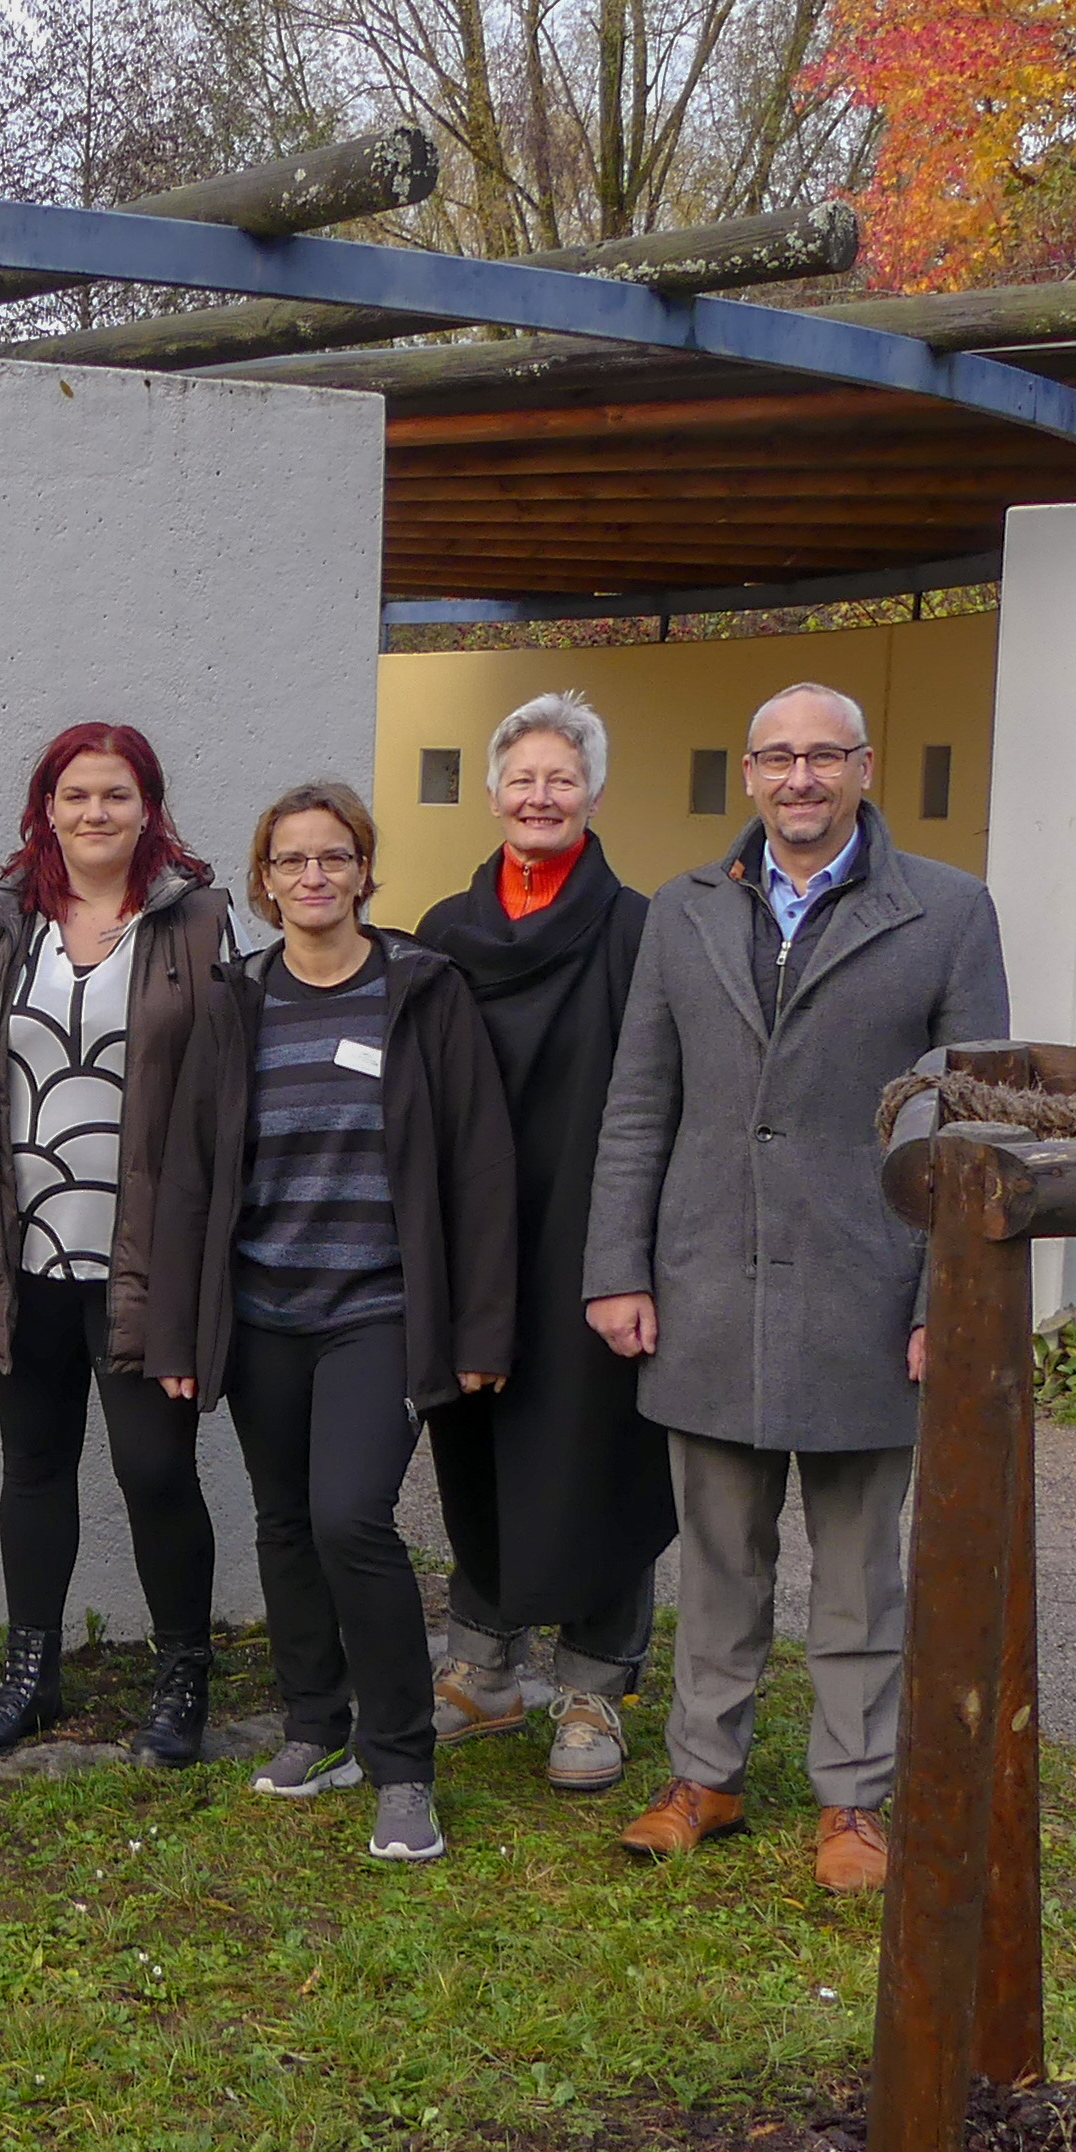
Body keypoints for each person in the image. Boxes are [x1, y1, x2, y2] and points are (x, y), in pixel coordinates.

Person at [583, 681, 1010, 1894]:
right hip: (707, 1278)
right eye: (779, 758)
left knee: (860, 1565)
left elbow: (976, 1121)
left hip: (865, 1288)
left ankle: (852, 1800)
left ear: (864, 767)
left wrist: (944, 1297)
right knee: (716, 1559)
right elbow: (637, 1103)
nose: (801, 779)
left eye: (824, 757)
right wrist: (617, 1265)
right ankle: (704, 1777)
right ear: (751, 776)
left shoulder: (945, 912)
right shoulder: (685, 913)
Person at [147, 783, 516, 1864]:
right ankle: (319, 1725)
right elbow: (188, 1179)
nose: (313, 877)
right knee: (283, 1521)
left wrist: (481, 1333)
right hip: (262, 1312)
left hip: (380, 1310)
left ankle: (402, 1764)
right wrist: (179, 1333)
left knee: (351, 1518)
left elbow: (480, 1165)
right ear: (262, 882)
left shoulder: (421, 991)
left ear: (363, 871)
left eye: (333, 858)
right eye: (291, 861)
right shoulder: (235, 1001)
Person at [0, 722, 240, 1765]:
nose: (93, 813)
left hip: (149, 1252)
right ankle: (32, 1675)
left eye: (114, 795)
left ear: (148, 807)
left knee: (154, 1469)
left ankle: (181, 1677)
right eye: (74, 796)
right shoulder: (1, 918)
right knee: (33, 1465)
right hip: (22, 1246)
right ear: (45, 809)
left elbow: (228, 1090)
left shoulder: (195, 923)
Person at [410, 693, 681, 1798]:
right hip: (475, 1235)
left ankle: (592, 1685)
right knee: (472, 1438)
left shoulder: (641, 931)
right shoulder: (442, 935)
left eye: (559, 778)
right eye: (521, 778)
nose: (538, 796)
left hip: (595, 1231)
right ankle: (481, 1666)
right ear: (491, 795)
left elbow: (667, 1089)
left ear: (594, 796)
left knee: (599, 1454)